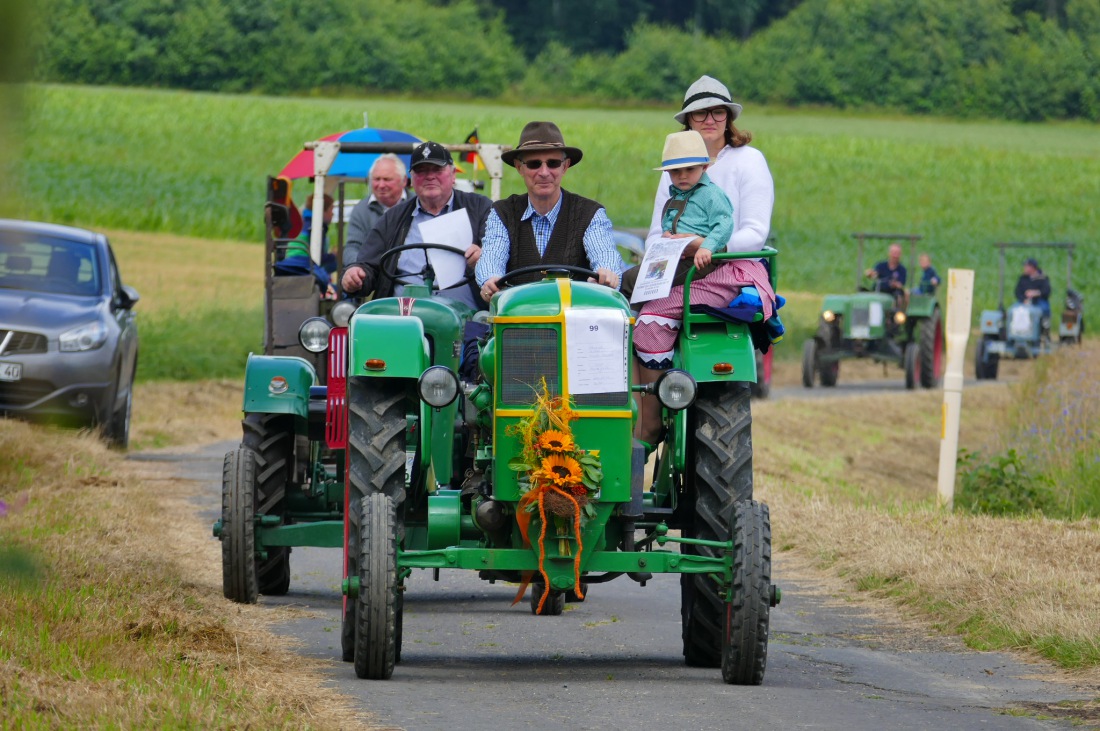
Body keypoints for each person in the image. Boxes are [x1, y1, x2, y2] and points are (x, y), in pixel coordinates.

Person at [629, 75, 777, 448]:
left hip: (727, 266)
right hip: (679, 265)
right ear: (688, 123)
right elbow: (656, 233)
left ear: (729, 117)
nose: (709, 119)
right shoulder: (677, 167)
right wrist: (669, 253)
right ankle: (641, 409)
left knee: (651, 314)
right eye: (699, 114)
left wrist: (699, 246)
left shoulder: (748, 161)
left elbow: (754, 232)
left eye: (717, 112)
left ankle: (651, 418)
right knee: (620, 301)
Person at [475, 121, 624, 301]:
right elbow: (492, 255)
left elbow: (605, 255)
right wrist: (490, 281)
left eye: (553, 163)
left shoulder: (590, 213)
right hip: (517, 318)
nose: (544, 172)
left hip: (574, 319)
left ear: (565, 166)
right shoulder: (503, 212)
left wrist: (606, 275)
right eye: (534, 164)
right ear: (519, 167)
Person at [340, 141, 489, 309]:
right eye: (421, 171)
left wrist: (485, 258)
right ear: (411, 179)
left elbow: (503, 255)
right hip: (404, 320)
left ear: (453, 174)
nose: (429, 176)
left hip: (467, 321)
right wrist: (355, 275)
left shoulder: (480, 208)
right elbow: (367, 266)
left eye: (437, 169)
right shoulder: (393, 219)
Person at [344, 153, 408, 268]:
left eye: (387, 179)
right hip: (371, 274)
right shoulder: (361, 210)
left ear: (403, 181)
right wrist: (358, 268)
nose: (381, 185)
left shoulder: (416, 205)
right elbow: (352, 247)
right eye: (376, 179)